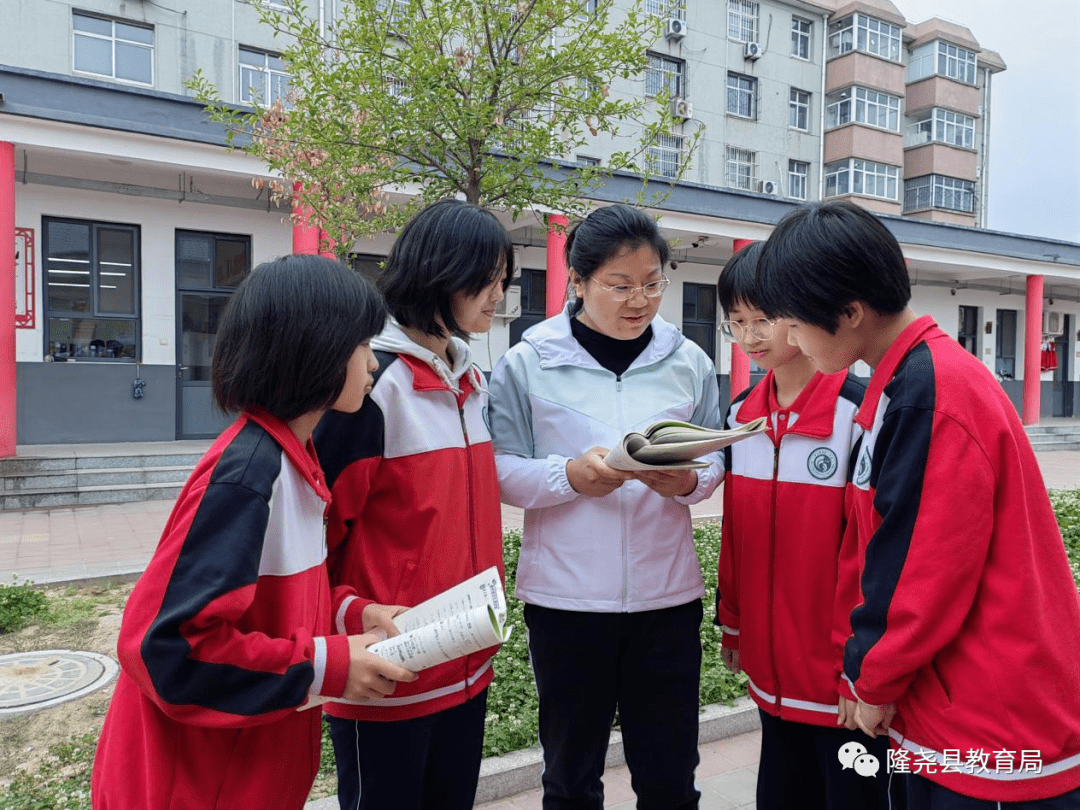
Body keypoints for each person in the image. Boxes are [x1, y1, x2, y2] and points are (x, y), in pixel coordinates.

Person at [755, 200, 1080, 808]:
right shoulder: (902, 383)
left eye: (793, 324)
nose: (790, 340)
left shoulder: (931, 392)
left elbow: (921, 568)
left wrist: (870, 675)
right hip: (948, 703)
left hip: (991, 720)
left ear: (849, 313)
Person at [91, 255, 417, 810]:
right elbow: (165, 648)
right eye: (362, 344)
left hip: (247, 776)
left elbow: (274, 607)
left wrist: (353, 614)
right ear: (311, 349)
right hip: (195, 786)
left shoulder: (295, 462)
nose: (374, 363)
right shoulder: (249, 476)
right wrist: (328, 667)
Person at [487, 203, 722, 810]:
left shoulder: (688, 360)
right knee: (570, 775)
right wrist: (569, 477)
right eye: (620, 285)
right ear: (578, 282)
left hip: (666, 601)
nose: (638, 300)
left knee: (670, 773)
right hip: (566, 603)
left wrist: (689, 483)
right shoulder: (528, 362)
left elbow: (716, 457)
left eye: (652, 284)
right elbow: (500, 470)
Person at [312, 198, 510, 810]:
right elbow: (312, 535)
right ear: (441, 273)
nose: (499, 295)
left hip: (465, 661)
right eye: (488, 280)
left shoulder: (469, 380)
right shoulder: (372, 387)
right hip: (389, 671)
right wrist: (349, 618)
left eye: (505, 280)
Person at [714, 242, 896, 810]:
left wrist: (859, 669)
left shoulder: (859, 412)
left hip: (838, 678)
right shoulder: (739, 417)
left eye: (764, 319)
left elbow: (873, 552)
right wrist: (734, 624)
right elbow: (735, 535)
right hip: (772, 671)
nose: (751, 337)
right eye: (736, 322)